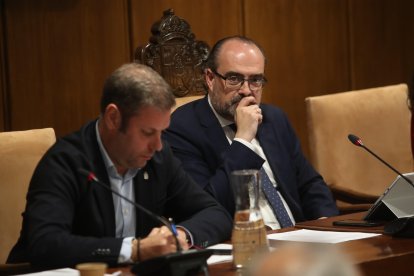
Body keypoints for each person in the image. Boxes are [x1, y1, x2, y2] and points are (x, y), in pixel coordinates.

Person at [7, 63, 232, 269]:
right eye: (147, 132)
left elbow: (215, 213)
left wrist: (180, 235)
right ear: (113, 118)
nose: (157, 145)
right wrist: (134, 249)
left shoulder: (158, 157)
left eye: (162, 132)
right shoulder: (66, 162)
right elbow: (45, 244)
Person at [163, 36, 339, 229]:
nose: (247, 91)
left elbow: (309, 184)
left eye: (256, 80)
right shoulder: (182, 129)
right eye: (234, 79)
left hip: (298, 236)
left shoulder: (274, 118)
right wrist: (243, 141)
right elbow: (206, 206)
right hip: (240, 241)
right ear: (210, 78)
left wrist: (326, 223)